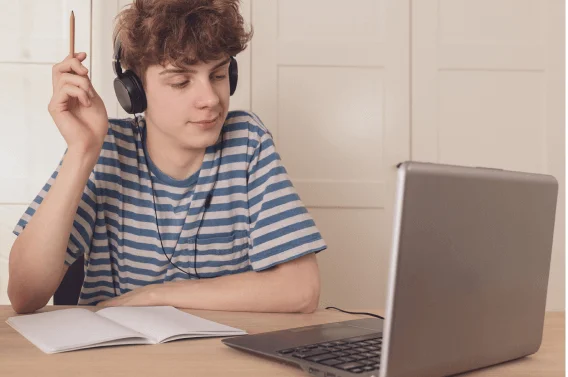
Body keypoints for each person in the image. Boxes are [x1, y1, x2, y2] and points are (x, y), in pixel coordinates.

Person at [8, 0, 326, 314]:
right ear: (134, 90)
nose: (210, 99)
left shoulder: (246, 142)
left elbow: (301, 290)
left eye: (218, 75)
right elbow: (25, 294)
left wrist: (155, 296)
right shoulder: (106, 149)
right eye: (180, 81)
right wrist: (82, 150)